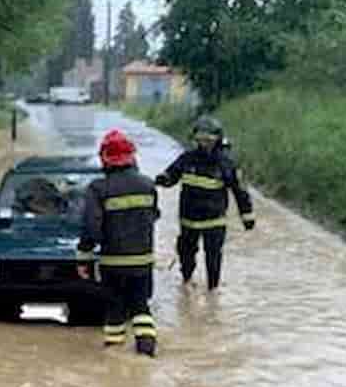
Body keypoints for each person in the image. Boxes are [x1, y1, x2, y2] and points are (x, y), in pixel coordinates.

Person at [76, 128, 160, 357]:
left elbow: (91, 228)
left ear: (104, 158)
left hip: (112, 263)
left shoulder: (98, 188)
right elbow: (154, 217)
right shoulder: (148, 185)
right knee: (141, 307)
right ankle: (146, 351)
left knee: (115, 308)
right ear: (132, 157)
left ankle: (114, 356)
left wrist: (83, 257)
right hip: (143, 262)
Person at [155, 115, 254, 290]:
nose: (204, 144)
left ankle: (213, 290)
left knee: (213, 256)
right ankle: (186, 281)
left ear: (218, 140)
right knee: (186, 253)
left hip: (214, 220)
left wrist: (247, 216)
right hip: (188, 220)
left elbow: (240, 191)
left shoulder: (226, 163)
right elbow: (172, 174)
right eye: (200, 139)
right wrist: (164, 179)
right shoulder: (187, 158)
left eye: (208, 140)